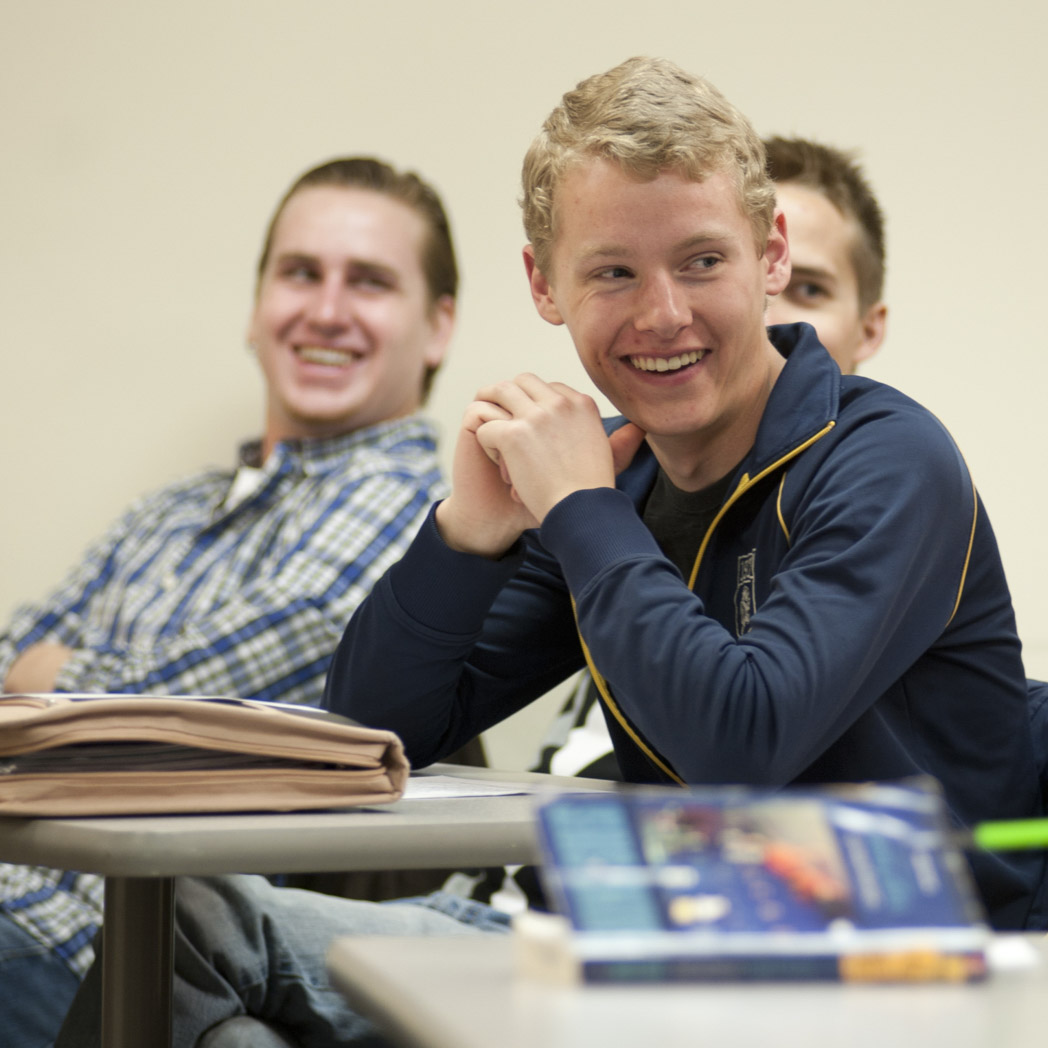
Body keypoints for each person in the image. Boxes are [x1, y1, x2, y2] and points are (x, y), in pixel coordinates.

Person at [58, 55, 1048, 1048]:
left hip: (886, 974)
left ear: (769, 252)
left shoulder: (885, 461)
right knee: (195, 934)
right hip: (656, 950)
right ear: (544, 283)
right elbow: (371, 724)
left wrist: (577, 504)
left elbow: (735, 741)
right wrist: (466, 533)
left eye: (702, 260)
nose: (661, 312)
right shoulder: (618, 478)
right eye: (613, 270)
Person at [1, 154, 458, 1048]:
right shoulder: (171, 508)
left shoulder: (423, 518)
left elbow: (142, 706)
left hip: (106, 953)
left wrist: (48, 681)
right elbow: (16, 659)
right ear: (257, 308)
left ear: (438, 327)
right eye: (299, 273)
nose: (326, 309)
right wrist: (45, 682)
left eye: (368, 281)